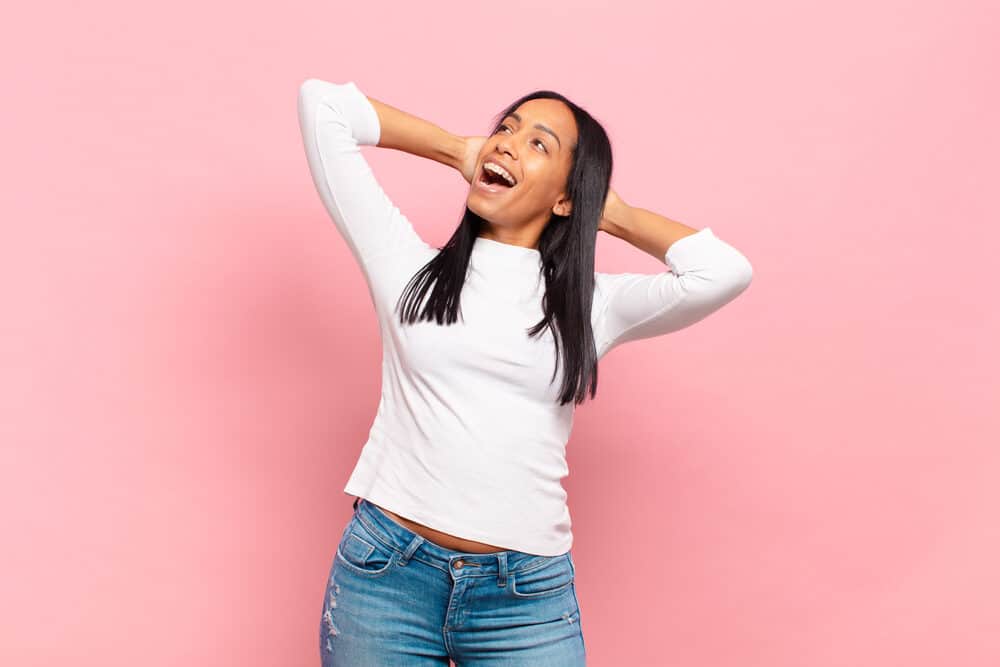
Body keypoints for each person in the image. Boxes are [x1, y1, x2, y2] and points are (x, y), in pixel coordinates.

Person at [297, 77, 753, 666]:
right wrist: (457, 150)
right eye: (505, 129)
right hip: (386, 578)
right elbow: (323, 105)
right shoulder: (406, 266)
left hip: (524, 599)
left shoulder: (591, 306)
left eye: (538, 144)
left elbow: (723, 271)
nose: (507, 143)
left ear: (566, 197)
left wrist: (610, 213)